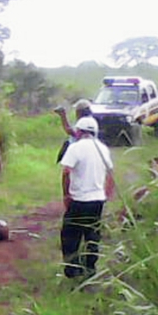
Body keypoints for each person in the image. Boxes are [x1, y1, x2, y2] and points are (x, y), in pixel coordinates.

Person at [59, 116, 114, 278]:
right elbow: (111, 172)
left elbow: (66, 171)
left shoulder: (75, 148)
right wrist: (106, 193)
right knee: (92, 235)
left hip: (79, 199)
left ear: (79, 131)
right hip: (97, 200)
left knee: (70, 235)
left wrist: (66, 194)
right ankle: (90, 268)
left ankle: (72, 269)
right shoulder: (102, 148)